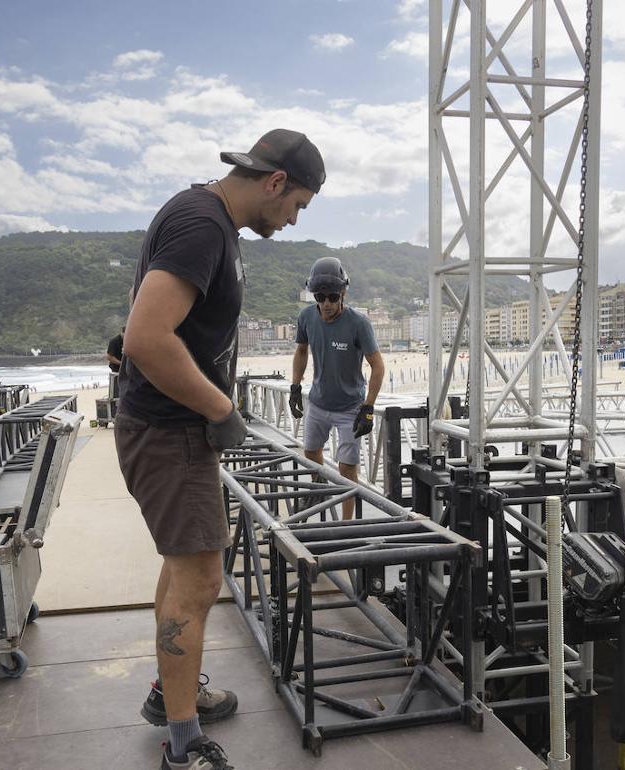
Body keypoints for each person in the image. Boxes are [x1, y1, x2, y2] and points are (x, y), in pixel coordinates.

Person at [116, 129, 325, 770]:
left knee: (184, 571)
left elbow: (157, 325)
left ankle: (170, 694)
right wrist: (221, 408)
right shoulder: (203, 225)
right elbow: (146, 338)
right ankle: (182, 748)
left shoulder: (207, 221)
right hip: (172, 430)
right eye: (297, 206)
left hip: (170, 428)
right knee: (202, 581)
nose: (291, 222)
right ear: (275, 182)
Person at [289, 258, 385, 519]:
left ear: (343, 293)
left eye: (333, 296)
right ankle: (317, 489)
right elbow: (301, 351)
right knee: (310, 453)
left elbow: (377, 366)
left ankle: (346, 523)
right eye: (321, 297)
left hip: (349, 407)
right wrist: (295, 387)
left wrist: (368, 407)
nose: (327, 304)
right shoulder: (306, 317)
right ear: (314, 295)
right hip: (318, 403)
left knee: (347, 469)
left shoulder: (358, 323)